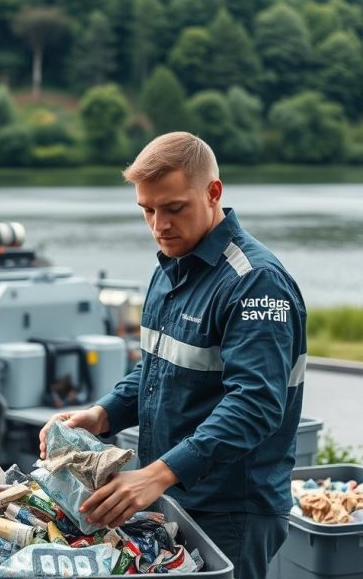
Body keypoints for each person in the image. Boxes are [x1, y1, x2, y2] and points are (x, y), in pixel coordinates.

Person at [39, 132, 306, 579]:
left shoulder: (255, 282)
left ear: (213, 192)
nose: (159, 225)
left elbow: (255, 404)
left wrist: (158, 474)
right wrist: (102, 414)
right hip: (176, 495)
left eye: (174, 208)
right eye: (148, 211)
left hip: (232, 508)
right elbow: (158, 368)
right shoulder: (170, 269)